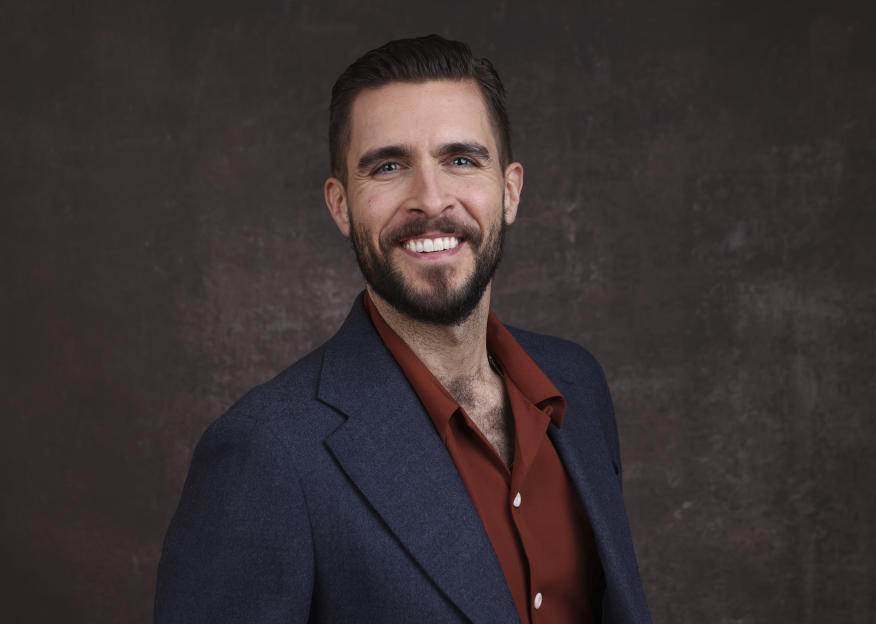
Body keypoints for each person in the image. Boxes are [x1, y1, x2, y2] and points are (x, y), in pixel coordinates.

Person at [155, 35, 653, 624]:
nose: (431, 199)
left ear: (509, 191)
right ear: (341, 205)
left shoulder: (577, 384)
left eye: (461, 160)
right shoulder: (266, 453)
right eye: (389, 166)